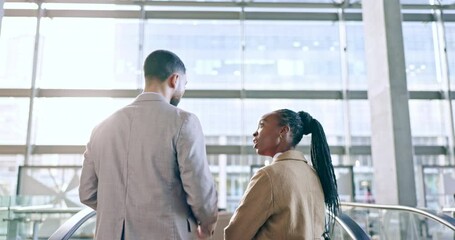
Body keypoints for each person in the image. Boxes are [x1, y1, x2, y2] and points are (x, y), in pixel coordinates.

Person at [79, 50, 218, 240]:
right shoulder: (183, 122)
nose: (183, 90)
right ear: (175, 79)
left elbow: (87, 193)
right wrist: (208, 223)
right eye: (184, 84)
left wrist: (122, 211)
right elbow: (199, 190)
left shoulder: (101, 128)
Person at [224, 109, 340, 239]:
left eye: (262, 125)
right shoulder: (313, 173)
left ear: (283, 131)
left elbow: (235, 235)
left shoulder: (269, 175)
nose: (255, 132)